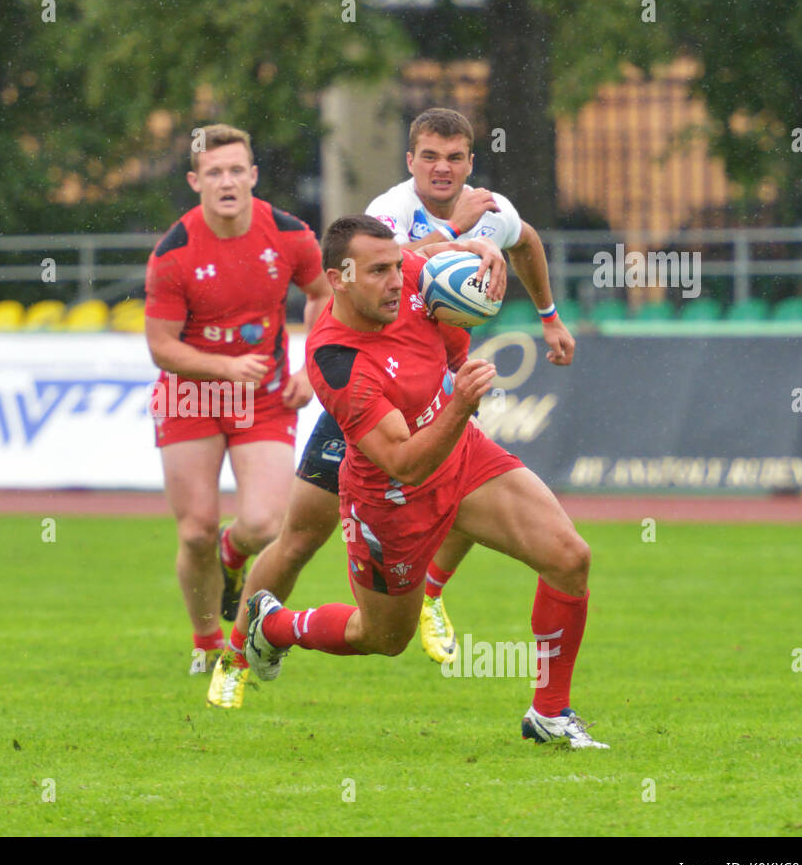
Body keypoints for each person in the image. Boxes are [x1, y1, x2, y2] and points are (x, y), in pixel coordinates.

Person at [207, 107, 577, 708]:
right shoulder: (389, 214)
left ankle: (431, 593)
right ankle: (238, 650)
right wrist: (453, 238)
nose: (442, 167)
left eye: (454, 157)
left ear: (469, 163)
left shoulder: (490, 209)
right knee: (300, 537)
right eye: (430, 156)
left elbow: (527, 241)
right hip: (369, 404)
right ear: (411, 161)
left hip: (436, 388)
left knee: (476, 503)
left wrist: (547, 316)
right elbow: (349, 285)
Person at [242, 215, 606, 748]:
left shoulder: (411, 275)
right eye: (379, 271)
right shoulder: (336, 359)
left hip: (461, 457)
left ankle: (549, 714)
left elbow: (439, 247)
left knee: (569, 557)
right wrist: (460, 402)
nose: (397, 280)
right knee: (384, 637)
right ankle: (273, 627)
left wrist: (481, 248)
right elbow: (403, 462)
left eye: (396, 265)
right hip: (391, 500)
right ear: (338, 278)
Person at [144, 124, 331, 693]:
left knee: (263, 524)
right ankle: (206, 642)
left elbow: (325, 294)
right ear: (195, 181)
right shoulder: (174, 252)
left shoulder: (292, 235)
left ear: (253, 176)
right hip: (191, 395)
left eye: (236, 170)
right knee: (196, 529)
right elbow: (161, 346)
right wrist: (224, 368)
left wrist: (309, 370)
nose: (226, 181)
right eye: (214, 172)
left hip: (265, 398)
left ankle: (235, 551)